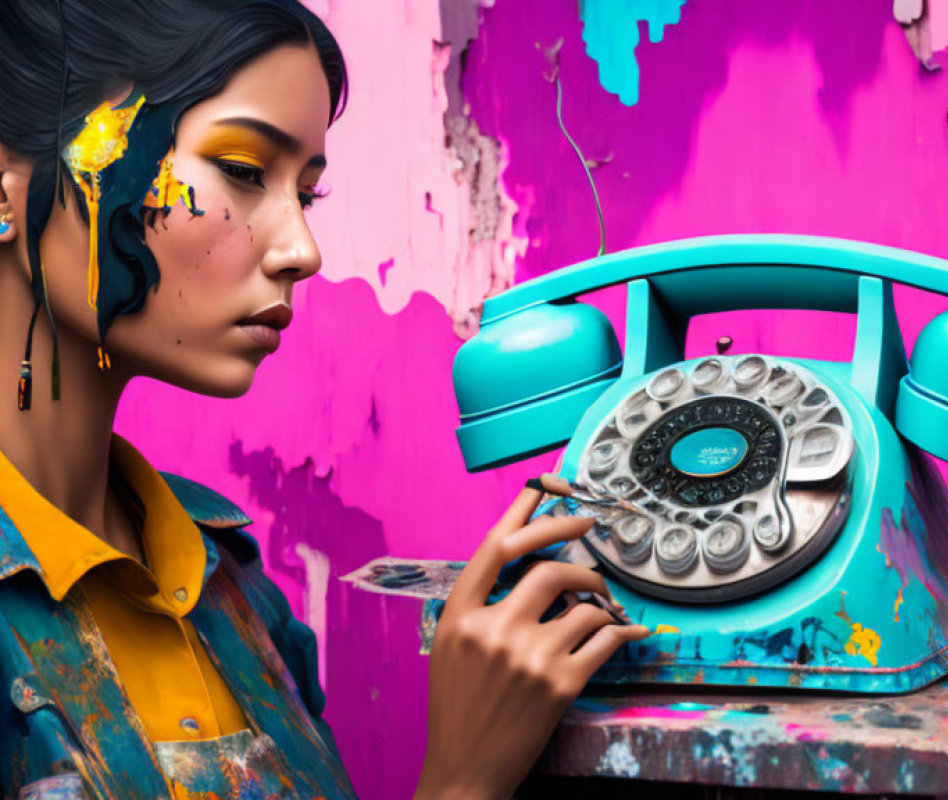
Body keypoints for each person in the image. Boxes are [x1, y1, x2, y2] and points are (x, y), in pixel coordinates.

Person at [0, 1, 650, 798]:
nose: (302, 252)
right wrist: (461, 781)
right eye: (242, 170)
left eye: (306, 195)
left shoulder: (230, 580)